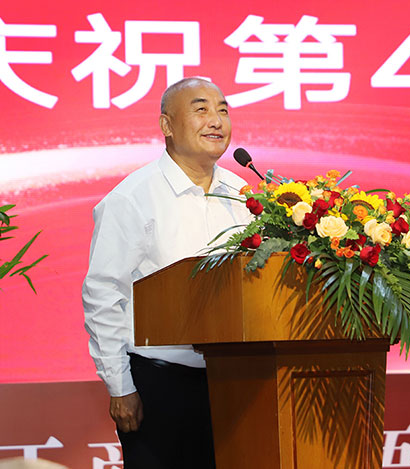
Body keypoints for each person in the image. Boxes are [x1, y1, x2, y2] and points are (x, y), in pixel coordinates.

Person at [82, 77, 251, 468]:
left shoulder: (243, 195)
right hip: (160, 385)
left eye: (223, 111)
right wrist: (120, 386)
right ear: (167, 125)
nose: (216, 121)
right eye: (201, 109)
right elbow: (103, 294)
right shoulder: (132, 198)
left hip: (237, 385)